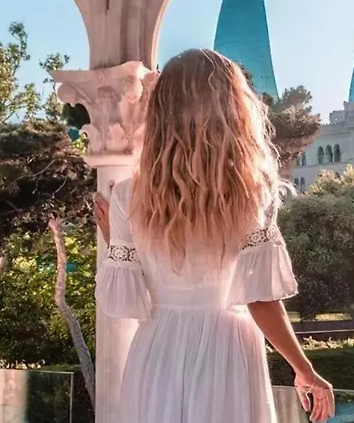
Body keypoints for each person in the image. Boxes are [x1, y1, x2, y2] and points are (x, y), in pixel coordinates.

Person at [92, 49, 334, 423]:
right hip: (226, 352)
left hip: (157, 351)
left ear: (161, 111)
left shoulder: (127, 195)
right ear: (232, 109)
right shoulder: (250, 193)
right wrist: (304, 369)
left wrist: (116, 246)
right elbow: (259, 298)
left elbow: (130, 296)